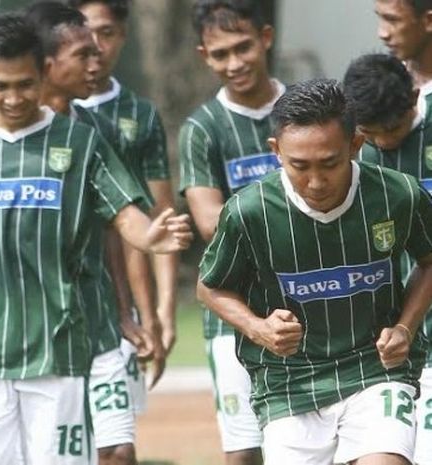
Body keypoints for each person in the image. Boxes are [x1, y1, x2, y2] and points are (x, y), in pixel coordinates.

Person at [0, 13, 192, 465]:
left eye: (25, 84)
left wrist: (152, 236)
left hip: (59, 354)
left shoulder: (81, 142)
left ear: (43, 74)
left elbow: (123, 216)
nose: (14, 97)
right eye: (1, 86)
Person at [197, 77, 432, 465]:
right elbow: (210, 288)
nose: (316, 182)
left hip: (375, 369)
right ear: (276, 151)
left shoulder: (397, 194)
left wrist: (406, 326)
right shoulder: (249, 211)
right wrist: (259, 328)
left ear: (356, 144)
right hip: (289, 382)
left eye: (330, 163)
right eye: (299, 166)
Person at [25, 3, 152, 464]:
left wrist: (125, 311)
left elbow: (115, 224)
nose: (97, 56)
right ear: (46, 63)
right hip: (31, 334)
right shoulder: (6, 132)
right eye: (83, 50)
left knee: (118, 451)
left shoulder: (96, 128)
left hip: (97, 323)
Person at [179, 0, 286, 462]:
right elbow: (209, 223)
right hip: (232, 312)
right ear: (205, 55)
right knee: (244, 452)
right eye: (220, 54)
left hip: (316, 305)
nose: (235, 62)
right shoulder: (202, 129)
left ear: (265, 37)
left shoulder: (308, 106)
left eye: (243, 47)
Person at [70, 0, 177, 417]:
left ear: (123, 36)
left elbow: (157, 220)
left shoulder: (139, 114)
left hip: (117, 294)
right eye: (84, 34)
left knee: (116, 441)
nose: (95, 47)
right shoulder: (43, 115)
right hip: (61, 295)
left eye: (107, 33)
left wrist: (161, 310)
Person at [343, 52, 432, 465]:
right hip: (380, 340)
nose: (384, 142)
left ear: (415, 97)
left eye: (392, 129)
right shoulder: (349, 154)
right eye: (371, 134)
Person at [375, 0, 432, 109]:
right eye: (380, 17)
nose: (382, 33)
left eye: (393, 20)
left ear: (429, 21)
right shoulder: (379, 79)